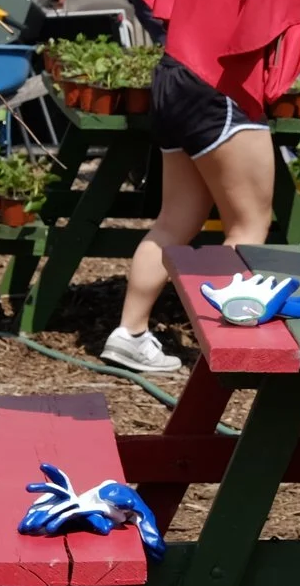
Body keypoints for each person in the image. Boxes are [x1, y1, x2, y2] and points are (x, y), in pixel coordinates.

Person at [101, 55, 279, 374]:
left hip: (173, 74)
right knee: (248, 226)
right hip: (225, 77)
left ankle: (130, 334)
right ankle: (231, 345)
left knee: (174, 222)